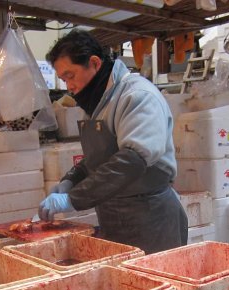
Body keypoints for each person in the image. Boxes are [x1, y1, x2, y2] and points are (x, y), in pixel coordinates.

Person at [38, 30, 188, 254]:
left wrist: (72, 198)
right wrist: (70, 180)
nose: (69, 86)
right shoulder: (97, 101)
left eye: (71, 75)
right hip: (113, 218)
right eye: (63, 79)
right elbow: (99, 159)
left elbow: (131, 161)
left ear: (94, 63)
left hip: (151, 218)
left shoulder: (136, 96)